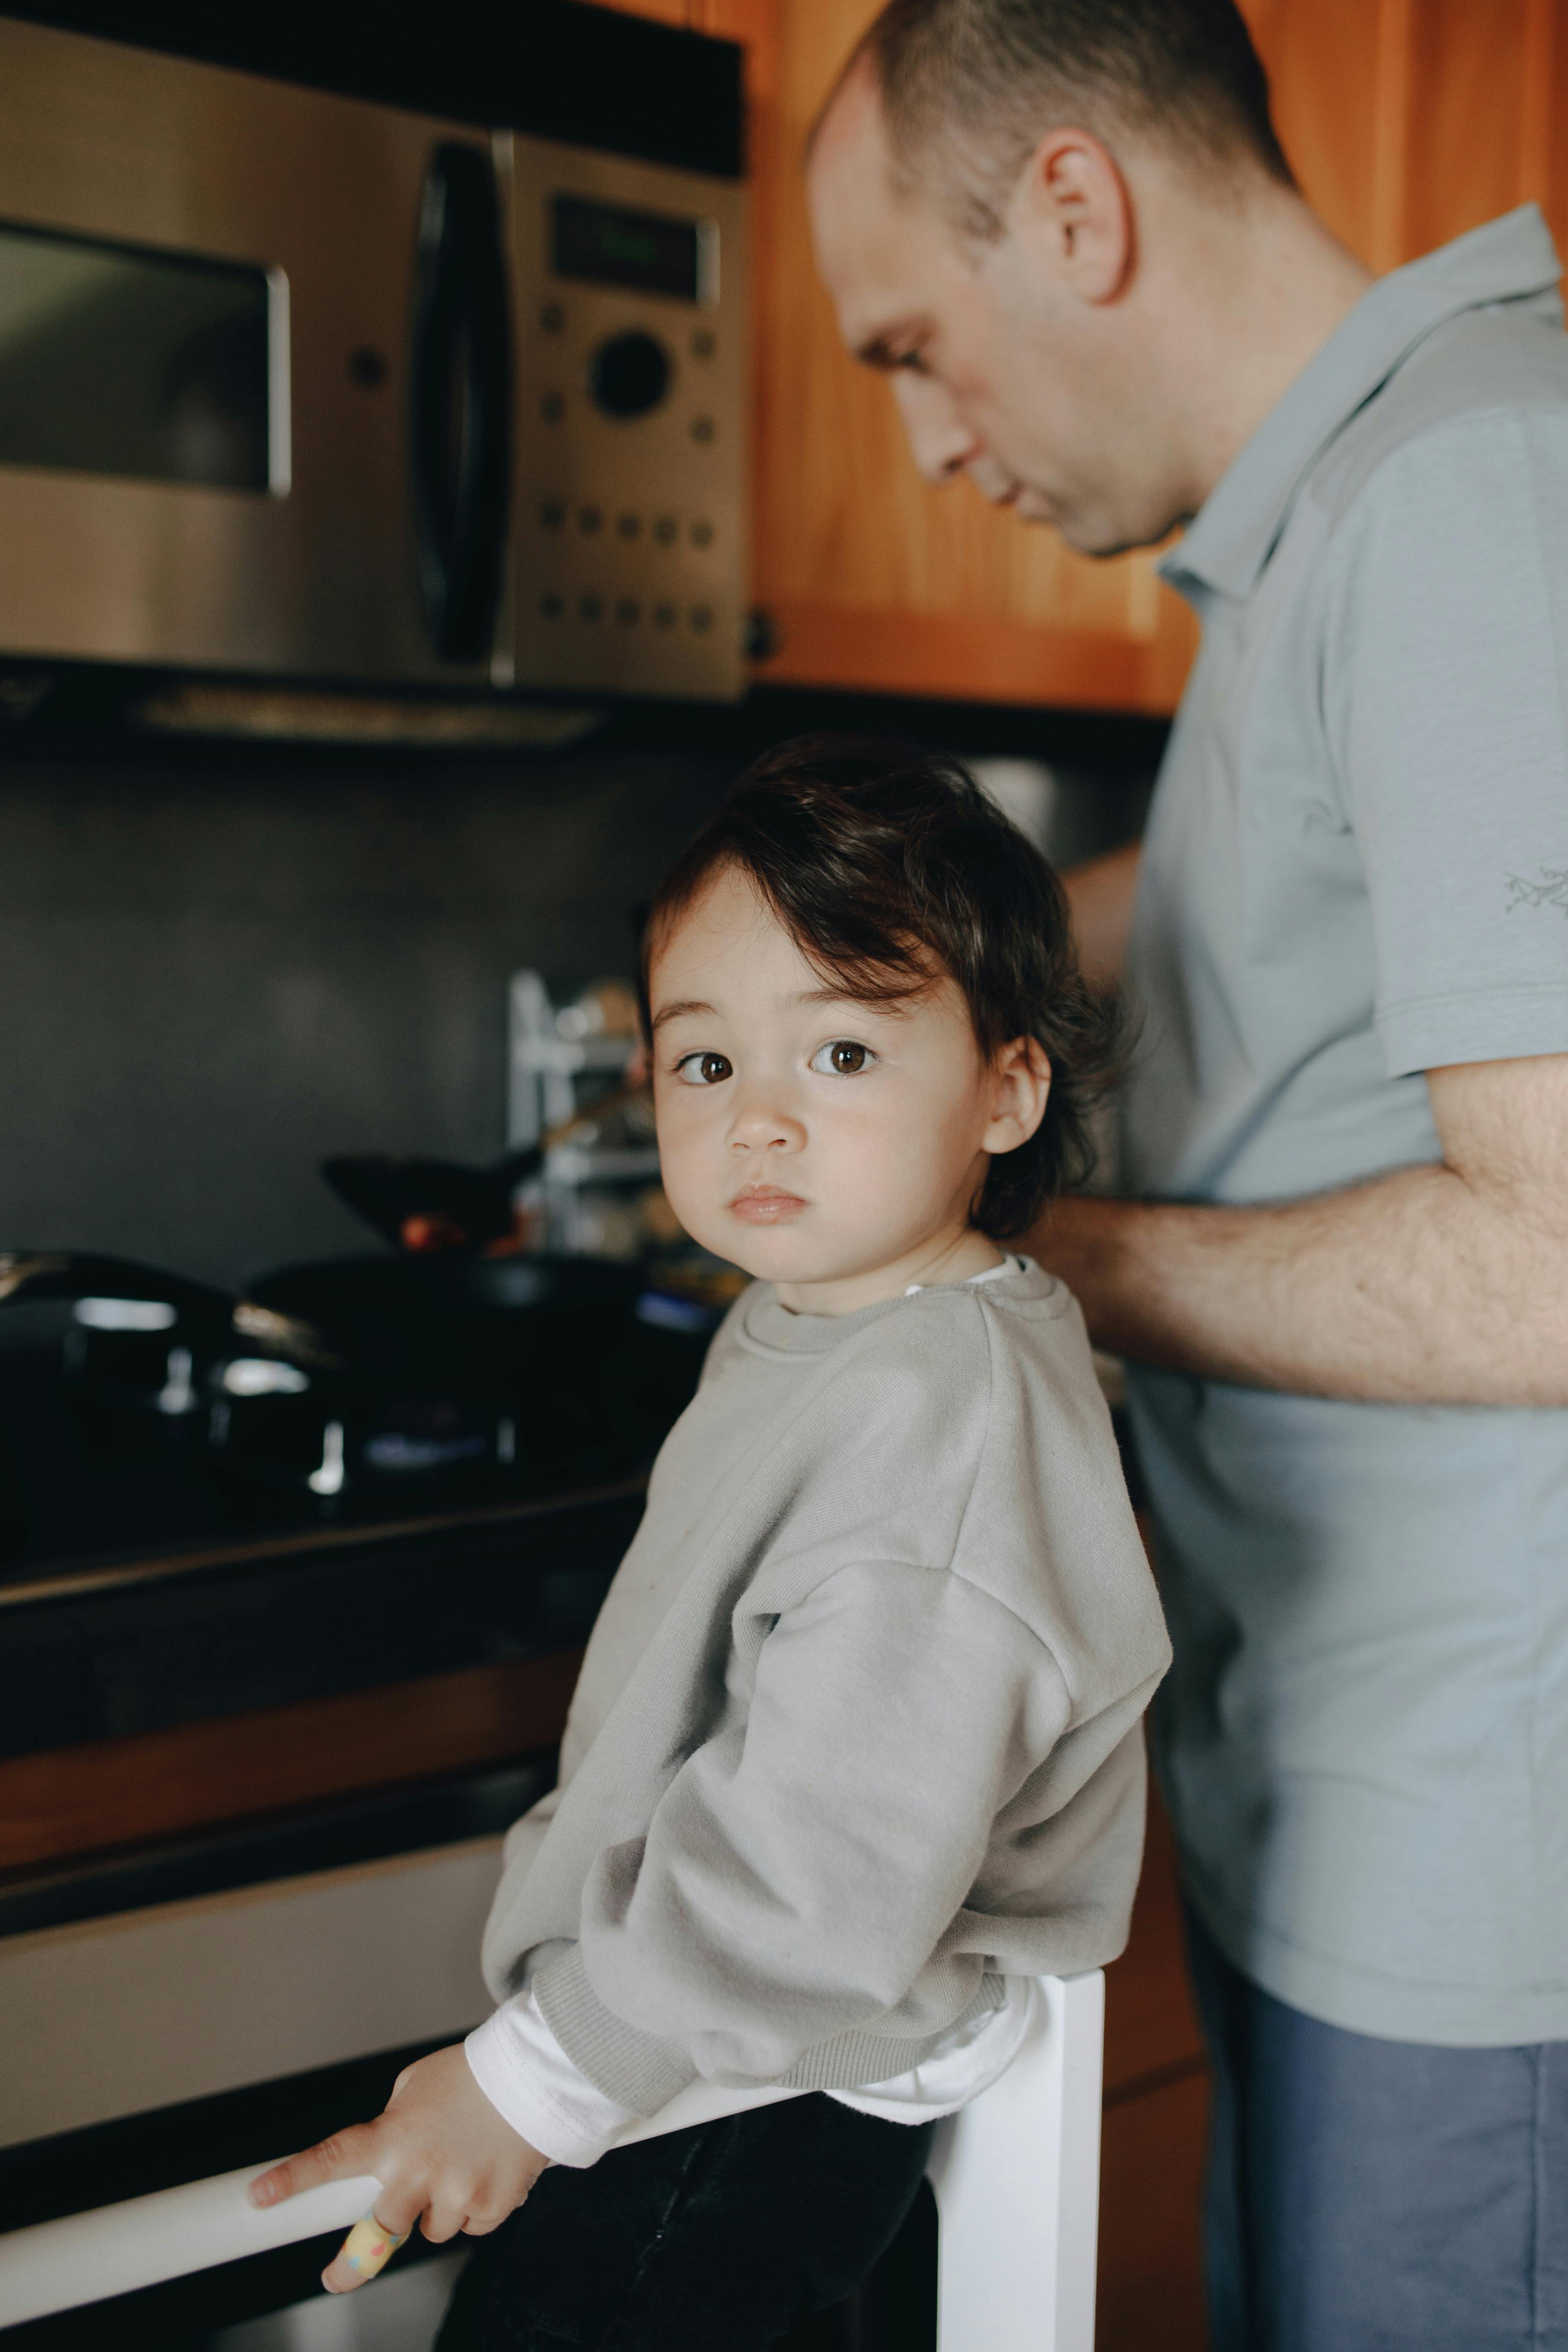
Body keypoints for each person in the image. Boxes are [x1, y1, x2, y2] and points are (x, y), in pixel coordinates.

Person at [806, 4, 1568, 2347]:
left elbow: (1556, 1267)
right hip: (1340, 1803)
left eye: (916, 349)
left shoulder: (1467, 485)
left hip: (1479, 1882)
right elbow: (1307, 913)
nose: (929, 445)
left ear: (1070, 207)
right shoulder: (1348, 519)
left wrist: (1009, 1238)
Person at [247, 739, 1170, 2350]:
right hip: (702, 2043)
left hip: (757, 2087)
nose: (758, 1125)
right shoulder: (817, 1318)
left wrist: (528, 2075)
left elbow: (815, 1870)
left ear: (1009, 1088)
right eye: (707, 1064)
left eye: (843, 1057)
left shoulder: (944, 1409)